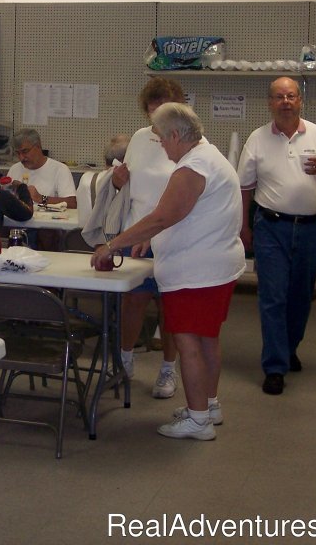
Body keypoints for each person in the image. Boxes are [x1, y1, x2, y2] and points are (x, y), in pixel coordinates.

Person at [91, 103, 244, 441]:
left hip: (197, 272)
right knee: (206, 340)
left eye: (161, 139)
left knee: (188, 341)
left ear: (176, 135)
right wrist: (153, 239)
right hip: (215, 267)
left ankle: (198, 420)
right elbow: (184, 216)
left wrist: (112, 245)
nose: (161, 146)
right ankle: (208, 405)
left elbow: (163, 216)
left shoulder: (192, 168)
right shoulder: (210, 156)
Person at [238, 76, 316, 396]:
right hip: (270, 227)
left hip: (311, 229)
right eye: (278, 97)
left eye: (291, 96)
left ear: (300, 100)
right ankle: (274, 367)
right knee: (272, 297)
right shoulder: (257, 139)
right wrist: (243, 229)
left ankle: (288, 348)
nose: (285, 102)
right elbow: (244, 187)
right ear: (269, 103)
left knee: (300, 296)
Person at [109, 77, 187, 398]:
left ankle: (168, 370)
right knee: (132, 301)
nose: (157, 120)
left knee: (169, 305)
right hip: (136, 231)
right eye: (152, 113)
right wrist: (117, 180)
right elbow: (123, 187)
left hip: (174, 236)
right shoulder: (139, 139)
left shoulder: (190, 141)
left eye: (164, 112)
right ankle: (124, 361)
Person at [6, 128, 77, 209]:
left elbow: (72, 203)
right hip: (19, 219)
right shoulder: (14, 169)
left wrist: (40, 198)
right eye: (18, 153)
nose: (21, 158)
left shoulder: (60, 170)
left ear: (38, 146)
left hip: (49, 221)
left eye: (25, 151)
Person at [76, 134, 129, 228]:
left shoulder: (86, 179)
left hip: (83, 240)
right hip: (114, 241)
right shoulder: (127, 185)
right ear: (125, 160)